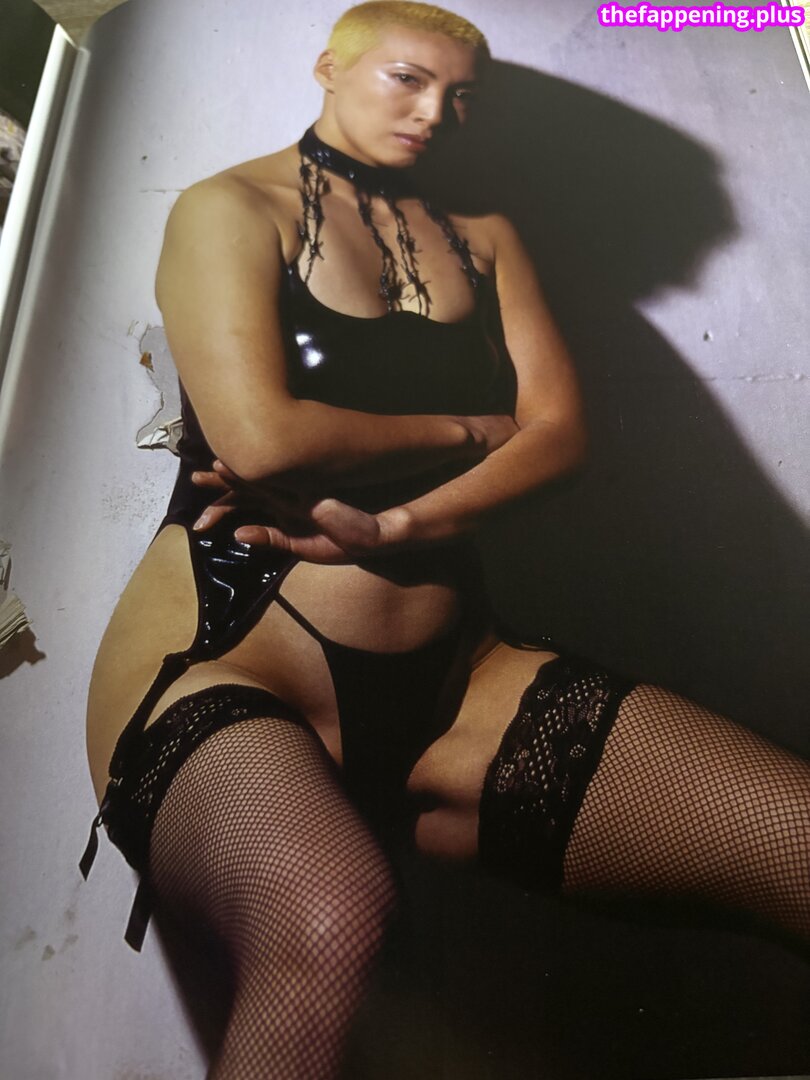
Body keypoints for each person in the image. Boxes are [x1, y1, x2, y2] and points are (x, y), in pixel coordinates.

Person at [80, 2, 810, 1077]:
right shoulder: (227, 208)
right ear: (329, 67)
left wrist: (400, 520)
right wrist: (474, 430)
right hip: (231, 664)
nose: (435, 113)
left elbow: (564, 435)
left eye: (461, 98)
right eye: (408, 81)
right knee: (332, 921)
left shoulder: (486, 235)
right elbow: (264, 437)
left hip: (457, 684)